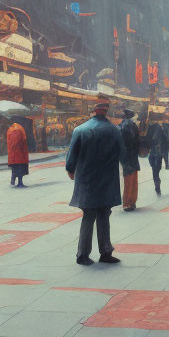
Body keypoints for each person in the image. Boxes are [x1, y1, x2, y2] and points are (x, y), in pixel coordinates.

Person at [66, 96, 125, 264]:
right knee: (104, 215)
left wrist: (71, 170)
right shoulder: (114, 130)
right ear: (106, 110)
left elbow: (71, 157)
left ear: (94, 110)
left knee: (88, 216)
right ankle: (105, 252)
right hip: (107, 181)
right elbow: (123, 154)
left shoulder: (80, 130)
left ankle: (83, 254)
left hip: (87, 181)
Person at [119, 108, 140, 211]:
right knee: (131, 179)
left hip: (126, 156)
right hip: (130, 155)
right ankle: (128, 202)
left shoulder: (122, 124)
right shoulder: (130, 125)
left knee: (129, 178)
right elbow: (133, 140)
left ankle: (129, 202)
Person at [146, 114, 169, 195]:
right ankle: (157, 185)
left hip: (156, 152)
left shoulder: (156, 127)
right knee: (155, 170)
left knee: (155, 171)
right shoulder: (153, 127)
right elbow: (167, 141)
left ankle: (157, 187)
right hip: (156, 152)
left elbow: (149, 139)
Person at [7, 118, 29, 187]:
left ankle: (12, 182)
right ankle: (20, 183)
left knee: (14, 168)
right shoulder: (19, 129)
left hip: (12, 154)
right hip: (20, 153)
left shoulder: (10, 129)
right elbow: (19, 141)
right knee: (20, 168)